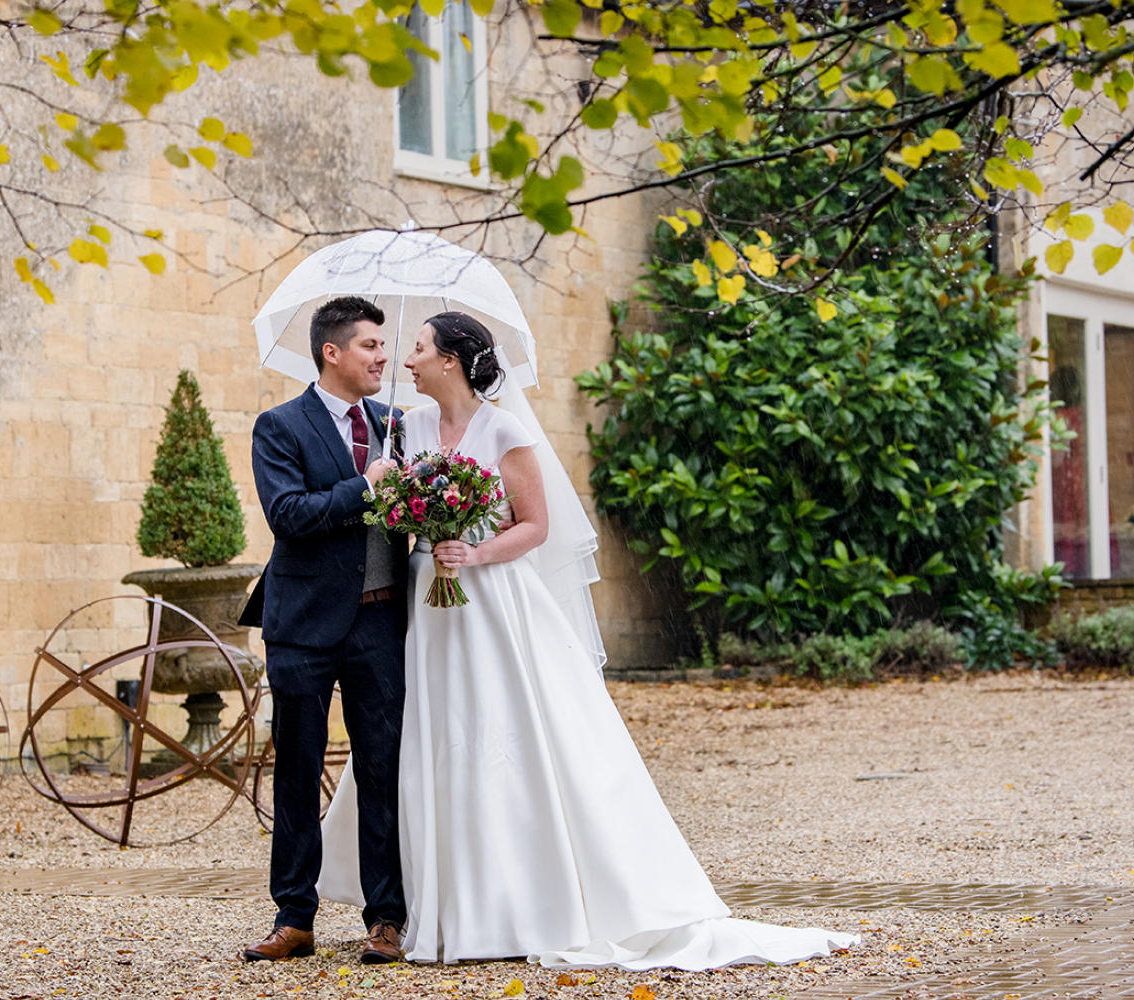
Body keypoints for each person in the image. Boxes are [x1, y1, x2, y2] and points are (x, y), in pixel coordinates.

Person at [317, 311, 859, 969]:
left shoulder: (505, 430)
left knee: (498, 735)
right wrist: (413, 520)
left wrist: (475, 552)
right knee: (431, 738)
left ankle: (511, 904)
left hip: (491, 604)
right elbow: (394, 508)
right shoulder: (408, 427)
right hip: (428, 608)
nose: (408, 359)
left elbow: (536, 526)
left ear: (452, 360)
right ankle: (438, 903)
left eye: (421, 349)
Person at [240, 296, 411, 964]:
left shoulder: (397, 424)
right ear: (331, 352)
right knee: (298, 770)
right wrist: (367, 488)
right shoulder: (278, 426)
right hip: (303, 626)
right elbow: (290, 515)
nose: (383, 357)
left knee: (382, 770)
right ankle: (294, 918)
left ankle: (387, 919)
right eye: (370, 345)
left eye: (385, 345)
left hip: (380, 620)